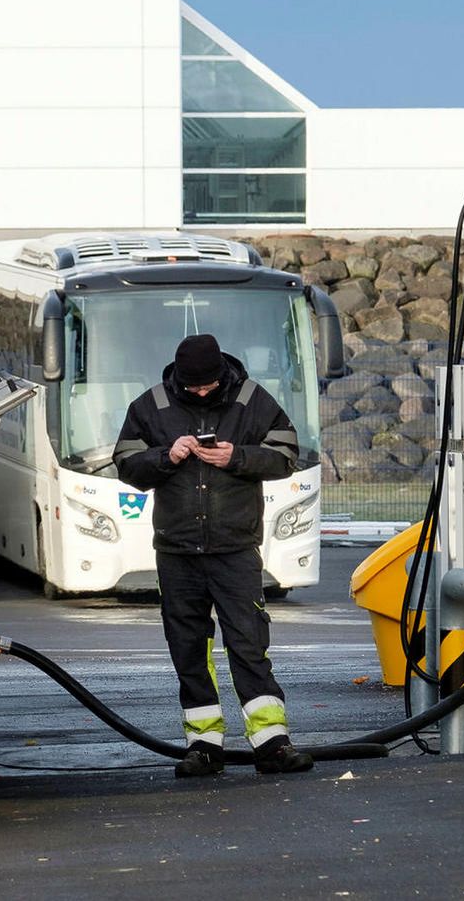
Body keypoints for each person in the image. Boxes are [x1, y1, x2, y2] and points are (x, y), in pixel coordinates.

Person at [113, 333, 313, 778]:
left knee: (248, 644)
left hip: (235, 549)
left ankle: (272, 744)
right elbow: (126, 465)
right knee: (189, 649)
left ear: (221, 373)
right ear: (180, 378)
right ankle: (204, 746)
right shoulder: (152, 405)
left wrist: (236, 457)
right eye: (194, 388)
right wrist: (168, 456)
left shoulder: (251, 399)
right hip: (178, 552)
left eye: (208, 386)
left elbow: (286, 455)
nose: (202, 392)